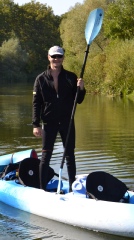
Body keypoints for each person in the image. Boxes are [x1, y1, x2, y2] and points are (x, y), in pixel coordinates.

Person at [32, 46, 86, 191]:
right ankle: (42, 189)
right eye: (54, 56)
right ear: (48, 57)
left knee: (70, 156)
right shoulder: (41, 79)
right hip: (49, 122)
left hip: (67, 122)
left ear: (63, 58)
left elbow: (78, 100)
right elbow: (36, 103)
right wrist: (36, 124)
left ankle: (73, 189)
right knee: (45, 156)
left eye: (59, 57)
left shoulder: (71, 77)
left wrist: (81, 88)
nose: (56, 59)